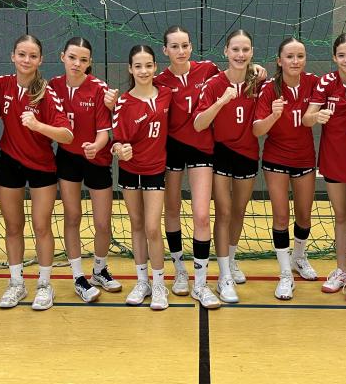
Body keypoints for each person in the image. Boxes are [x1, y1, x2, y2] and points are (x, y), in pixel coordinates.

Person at [0, 35, 73, 310]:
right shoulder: (2, 85)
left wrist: (38, 126)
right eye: (21, 54)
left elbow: (67, 135)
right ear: (12, 56)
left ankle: (44, 284)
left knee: (41, 226)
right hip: (9, 162)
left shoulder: (46, 93)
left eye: (32, 56)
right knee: (13, 226)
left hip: (41, 165)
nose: (26, 60)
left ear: (40, 60)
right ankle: (16, 283)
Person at [49, 37, 121, 303]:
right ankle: (78, 277)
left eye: (83, 60)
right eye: (72, 58)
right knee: (72, 216)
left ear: (89, 62)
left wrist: (95, 146)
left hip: (97, 159)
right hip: (67, 158)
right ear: (62, 57)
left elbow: (104, 133)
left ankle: (100, 269)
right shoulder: (53, 87)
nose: (76, 64)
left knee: (102, 222)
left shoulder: (99, 89)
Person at [154, 25, 221, 309]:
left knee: (202, 215)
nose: (180, 51)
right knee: (171, 209)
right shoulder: (158, 81)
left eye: (185, 45)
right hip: (171, 149)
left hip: (201, 147)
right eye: (174, 46)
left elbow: (234, 77)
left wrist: (256, 70)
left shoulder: (208, 70)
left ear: (191, 47)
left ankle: (201, 283)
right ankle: (180, 269)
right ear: (165, 50)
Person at [194, 29, 262, 304]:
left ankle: (231, 260)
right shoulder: (213, 84)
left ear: (252, 52)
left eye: (245, 50)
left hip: (248, 153)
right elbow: (199, 124)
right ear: (226, 51)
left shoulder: (258, 82)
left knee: (239, 211)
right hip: (221, 153)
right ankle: (223, 276)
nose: (240, 55)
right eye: (235, 49)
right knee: (222, 212)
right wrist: (221, 102)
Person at [303, 33, 346, 302]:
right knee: (340, 216)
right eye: (341, 55)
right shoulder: (326, 82)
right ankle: (341, 270)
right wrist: (317, 115)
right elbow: (307, 119)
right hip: (332, 158)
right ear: (334, 57)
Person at [253, 38, 319, 300]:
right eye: (290, 56)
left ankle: (298, 257)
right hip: (276, 159)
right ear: (279, 61)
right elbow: (257, 130)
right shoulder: (269, 89)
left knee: (304, 216)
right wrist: (273, 115)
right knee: (281, 216)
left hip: (304, 159)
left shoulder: (314, 83)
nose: (295, 61)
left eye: (300, 56)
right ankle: (285, 275)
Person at [112, 45, 173, 310]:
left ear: (155, 67)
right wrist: (119, 150)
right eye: (138, 66)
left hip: (155, 169)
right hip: (130, 170)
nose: (144, 71)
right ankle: (142, 282)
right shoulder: (124, 103)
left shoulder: (166, 94)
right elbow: (116, 141)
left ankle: (159, 284)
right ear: (130, 69)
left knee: (152, 228)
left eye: (148, 65)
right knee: (136, 225)